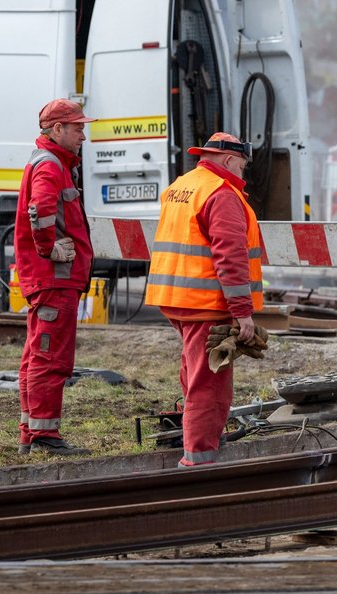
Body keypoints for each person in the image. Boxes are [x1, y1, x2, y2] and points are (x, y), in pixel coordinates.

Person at [145, 132, 263, 467]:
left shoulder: (183, 185)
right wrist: (242, 313)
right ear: (228, 160)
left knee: (193, 371)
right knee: (209, 382)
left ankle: (206, 437)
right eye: (241, 164)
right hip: (205, 301)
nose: (243, 173)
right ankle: (199, 461)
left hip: (177, 297)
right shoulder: (221, 194)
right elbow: (230, 257)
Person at [15, 98, 96, 456]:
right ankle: (44, 437)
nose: (83, 134)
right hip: (55, 278)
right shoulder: (50, 165)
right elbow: (42, 210)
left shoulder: (53, 161)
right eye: (77, 127)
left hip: (51, 279)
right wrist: (49, 250)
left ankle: (30, 432)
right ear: (57, 129)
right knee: (51, 358)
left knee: (36, 355)